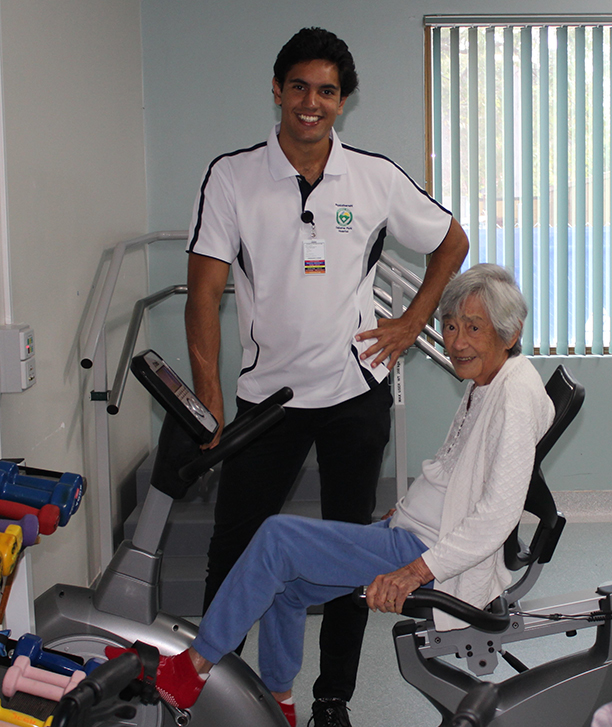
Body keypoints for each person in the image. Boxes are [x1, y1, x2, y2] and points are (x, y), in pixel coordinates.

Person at [108, 264, 554, 727]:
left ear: (510, 332)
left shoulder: (515, 396)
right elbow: (455, 471)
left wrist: (414, 571)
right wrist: (402, 512)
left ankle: (192, 668)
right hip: (412, 533)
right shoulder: (489, 383)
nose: (456, 342)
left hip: (429, 551)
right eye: (451, 326)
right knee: (286, 584)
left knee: (277, 537)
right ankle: (278, 701)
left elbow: (498, 512)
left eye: (473, 328)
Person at [183, 26, 468, 726]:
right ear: (277, 91)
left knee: (348, 553)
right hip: (267, 402)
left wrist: (409, 325)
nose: (313, 103)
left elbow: (452, 242)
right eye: (301, 87)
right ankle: (212, 690)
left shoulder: (372, 176)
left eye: (328, 91)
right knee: (236, 547)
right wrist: (211, 401)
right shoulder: (233, 176)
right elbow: (201, 295)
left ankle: (331, 700)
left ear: (344, 101)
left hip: (352, 395)